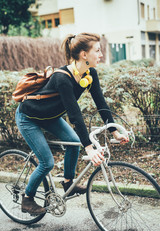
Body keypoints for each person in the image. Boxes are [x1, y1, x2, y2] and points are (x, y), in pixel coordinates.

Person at [15, 32, 129, 215]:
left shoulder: (90, 74)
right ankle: (27, 199)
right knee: (47, 162)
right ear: (84, 55)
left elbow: (101, 104)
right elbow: (75, 115)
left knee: (75, 143)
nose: (101, 55)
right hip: (28, 117)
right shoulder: (63, 79)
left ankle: (68, 182)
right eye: (97, 51)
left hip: (50, 117)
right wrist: (90, 149)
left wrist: (115, 132)